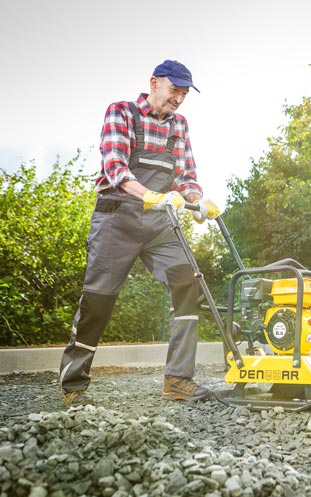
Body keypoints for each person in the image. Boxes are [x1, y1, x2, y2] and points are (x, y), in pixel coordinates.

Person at [59, 60, 220, 407]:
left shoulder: (180, 125)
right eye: (174, 89)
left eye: (184, 93)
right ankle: (74, 386)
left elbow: (186, 174)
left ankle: (178, 379)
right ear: (154, 83)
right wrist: (148, 194)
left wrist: (198, 200)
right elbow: (115, 166)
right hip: (118, 215)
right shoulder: (122, 112)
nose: (178, 98)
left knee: (187, 281)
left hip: (160, 222)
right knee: (98, 300)